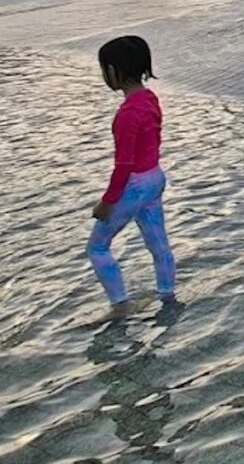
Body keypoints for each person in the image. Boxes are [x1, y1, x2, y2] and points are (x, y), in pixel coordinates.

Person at [86, 36, 176, 316]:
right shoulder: (149, 99)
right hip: (154, 179)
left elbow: (123, 165)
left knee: (97, 247)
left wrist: (107, 202)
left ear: (113, 71)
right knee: (158, 243)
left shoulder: (126, 114)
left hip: (135, 185)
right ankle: (168, 294)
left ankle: (120, 304)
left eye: (104, 70)